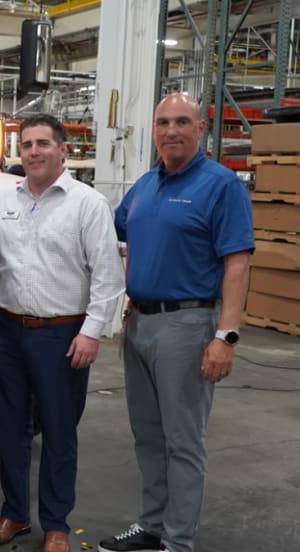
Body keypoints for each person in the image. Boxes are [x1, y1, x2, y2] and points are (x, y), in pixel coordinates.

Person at [98, 93, 253, 552]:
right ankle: (152, 526)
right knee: (148, 435)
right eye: (163, 121)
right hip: (139, 324)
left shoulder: (221, 186)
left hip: (188, 325)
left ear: (201, 128)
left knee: (183, 440)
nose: (170, 130)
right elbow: (111, 231)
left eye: (181, 121)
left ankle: (178, 541)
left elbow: (238, 265)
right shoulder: (145, 185)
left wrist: (226, 335)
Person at [0, 114, 125, 552]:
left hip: (62, 335)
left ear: (64, 150)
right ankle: (15, 513)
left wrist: (92, 332)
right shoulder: (4, 201)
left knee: (59, 431)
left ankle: (56, 523)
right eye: (26, 145)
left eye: (43, 144)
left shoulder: (88, 203)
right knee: (9, 428)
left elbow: (108, 276)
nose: (34, 152)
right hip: (7, 331)